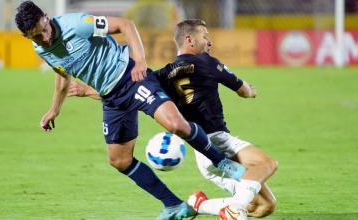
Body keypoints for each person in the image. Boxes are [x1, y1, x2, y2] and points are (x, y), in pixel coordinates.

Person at [14, 2, 246, 220]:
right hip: (111, 97)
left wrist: (141, 61)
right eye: (36, 35)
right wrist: (54, 109)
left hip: (131, 77)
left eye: (43, 29)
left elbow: (125, 25)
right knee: (119, 160)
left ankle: (223, 163)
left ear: (47, 17)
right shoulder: (41, 49)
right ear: (26, 36)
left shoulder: (76, 24)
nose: (44, 37)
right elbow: (62, 75)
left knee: (176, 125)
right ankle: (174, 205)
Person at [68, 19, 278, 219]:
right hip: (217, 142)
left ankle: (199, 204)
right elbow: (243, 91)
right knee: (267, 165)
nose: (209, 41)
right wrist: (252, 90)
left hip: (202, 154)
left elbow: (127, 91)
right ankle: (236, 207)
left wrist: (87, 91)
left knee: (265, 206)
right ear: (189, 40)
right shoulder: (207, 62)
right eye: (205, 36)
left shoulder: (161, 76)